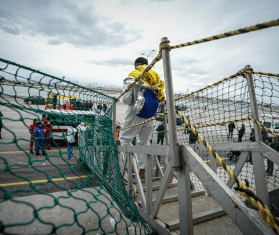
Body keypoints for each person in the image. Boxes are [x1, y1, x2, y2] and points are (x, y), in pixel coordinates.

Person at [119, 57, 165, 179]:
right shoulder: (155, 77)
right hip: (150, 115)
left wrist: (126, 90)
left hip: (135, 113)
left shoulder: (135, 75)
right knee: (144, 142)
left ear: (137, 64)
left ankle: (128, 171)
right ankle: (142, 171)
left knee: (125, 138)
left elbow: (127, 100)